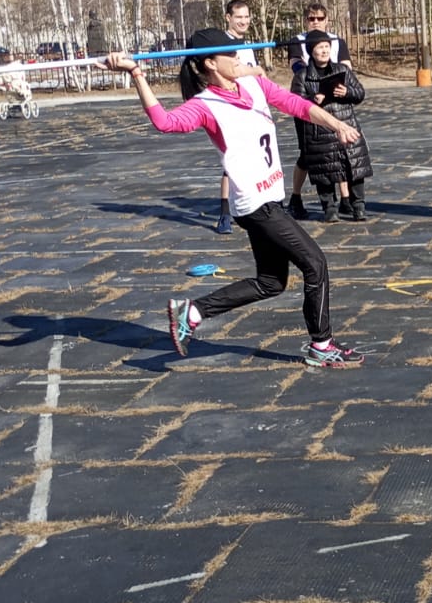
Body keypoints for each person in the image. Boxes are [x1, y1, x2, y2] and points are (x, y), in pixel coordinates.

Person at [102, 28, 364, 367]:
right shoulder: (205, 105)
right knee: (315, 264)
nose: (238, 58)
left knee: (271, 283)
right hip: (255, 204)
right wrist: (136, 73)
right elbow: (165, 122)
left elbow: (298, 106)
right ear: (211, 63)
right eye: (231, 54)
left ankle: (193, 311)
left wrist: (336, 125)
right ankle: (321, 344)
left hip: (270, 197)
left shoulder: (254, 85)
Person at [285, 3, 351, 220]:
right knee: (307, 154)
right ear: (306, 20)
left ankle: (346, 198)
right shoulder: (297, 41)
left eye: (319, 18)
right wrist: (317, 76)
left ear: (326, 20)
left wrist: (333, 82)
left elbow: (346, 67)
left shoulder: (337, 41)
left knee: (341, 149)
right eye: (311, 18)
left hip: (334, 101)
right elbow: (296, 65)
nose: (315, 22)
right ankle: (296, 197)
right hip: (308, 101)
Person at [296, 31, 372, 222]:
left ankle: (358, 206)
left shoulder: (342, 70)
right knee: (325, 172)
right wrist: (313, 100)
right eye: (320, 47)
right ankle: (329, 208)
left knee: (354, 168)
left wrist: (347, 92)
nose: (324, 51)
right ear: (311, 51)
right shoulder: (302, 76)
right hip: (319, 131)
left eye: (327, 47)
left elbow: (360, 93)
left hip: (346, 125)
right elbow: (295, 103)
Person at [211, 0, 258, 234]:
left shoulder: (247, 46)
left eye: (246, 16)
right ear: (228, 18)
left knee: (253, 158)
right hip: (230, 108)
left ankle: (253, 206)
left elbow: (253, 78)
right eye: (239, 17)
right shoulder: (222, 45)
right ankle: (225, 214)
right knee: (231, 161)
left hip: (250, 108)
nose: (243, 21)